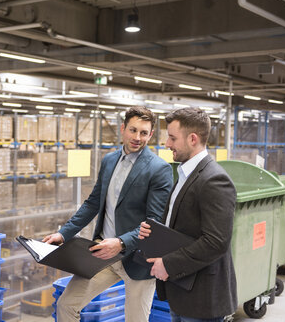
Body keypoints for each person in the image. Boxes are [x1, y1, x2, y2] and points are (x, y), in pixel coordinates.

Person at [43, 106, 173, 322]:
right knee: (66, 304)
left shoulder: (158, 169)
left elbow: (154, 222)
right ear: (123, 129)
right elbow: (93, 203)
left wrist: (121, 243)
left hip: (138, 260)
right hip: (103, 255)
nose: (137, 138)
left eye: (143, 133)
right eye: (133, 130)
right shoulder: (109, 161)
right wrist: (64, 234)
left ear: (151, 135)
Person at [139, 107, 237, 322]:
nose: (167, 144)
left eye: (173, 138)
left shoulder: (214, 180)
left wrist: (168, 264)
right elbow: (183, 226)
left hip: (201, 297)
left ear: (192, 139)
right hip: (182, 289)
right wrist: (155, 232)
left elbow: (216, 242)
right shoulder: (185, 172)